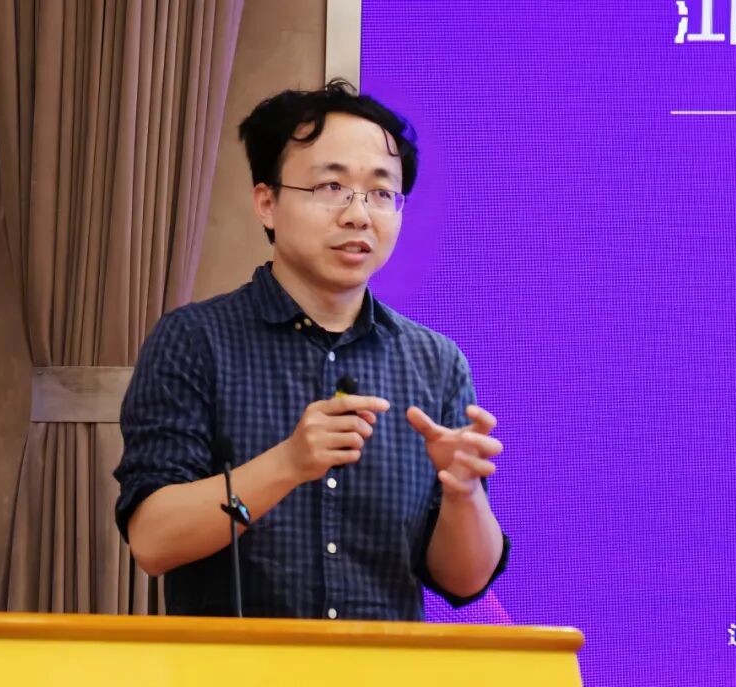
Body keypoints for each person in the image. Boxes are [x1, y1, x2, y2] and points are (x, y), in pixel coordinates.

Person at [114, 80, 509, 620]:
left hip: (383, 673)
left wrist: (463, 493)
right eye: (331, 187)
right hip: (232, 672)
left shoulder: (435, 363)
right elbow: (154, 543)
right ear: (267, 203)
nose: (358, 214)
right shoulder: (195, 341)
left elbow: (464, 580)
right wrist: (288, 464)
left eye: (381, 192)